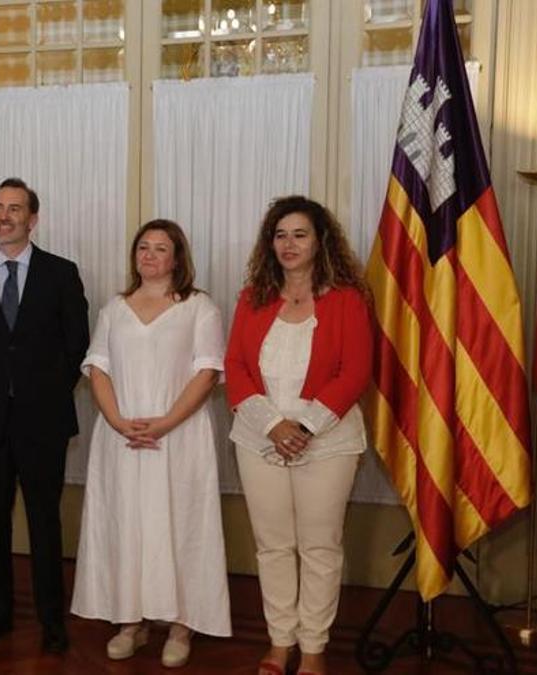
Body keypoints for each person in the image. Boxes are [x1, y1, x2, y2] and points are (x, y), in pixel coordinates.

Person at [224, 195, 373, 675]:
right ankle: (280, 641)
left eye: (300, 234)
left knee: (319, 545)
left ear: (320, 241)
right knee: (272, 545)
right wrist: (273, 425)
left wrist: (304, 426)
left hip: (326, 440)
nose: (288, 244)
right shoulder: (253, 297)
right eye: (280, 234)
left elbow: (355, 371)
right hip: (258, 436)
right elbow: (235, 367)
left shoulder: (347, 297)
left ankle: (313, 648)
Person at [71, 220, 229, 668]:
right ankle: (131, 621)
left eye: (161, 248)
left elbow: (208, 373)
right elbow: (97, 369)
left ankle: (181, 624)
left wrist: (163, 424)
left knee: (181, 523)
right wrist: (120, 421)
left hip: (178, 436)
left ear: (177, 258)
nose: (150, 255)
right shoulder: (114, 308)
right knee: (129, 524)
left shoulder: (200, 307)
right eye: (143, 247)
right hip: (122, 437)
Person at [0, 177, 90, 654]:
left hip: (43, 423)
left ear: (33, 220)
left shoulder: (61, 273)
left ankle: (52, 620)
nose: (4, 216)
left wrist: (44, 393)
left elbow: (77, 343)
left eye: (14, 209)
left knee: (43, 522)